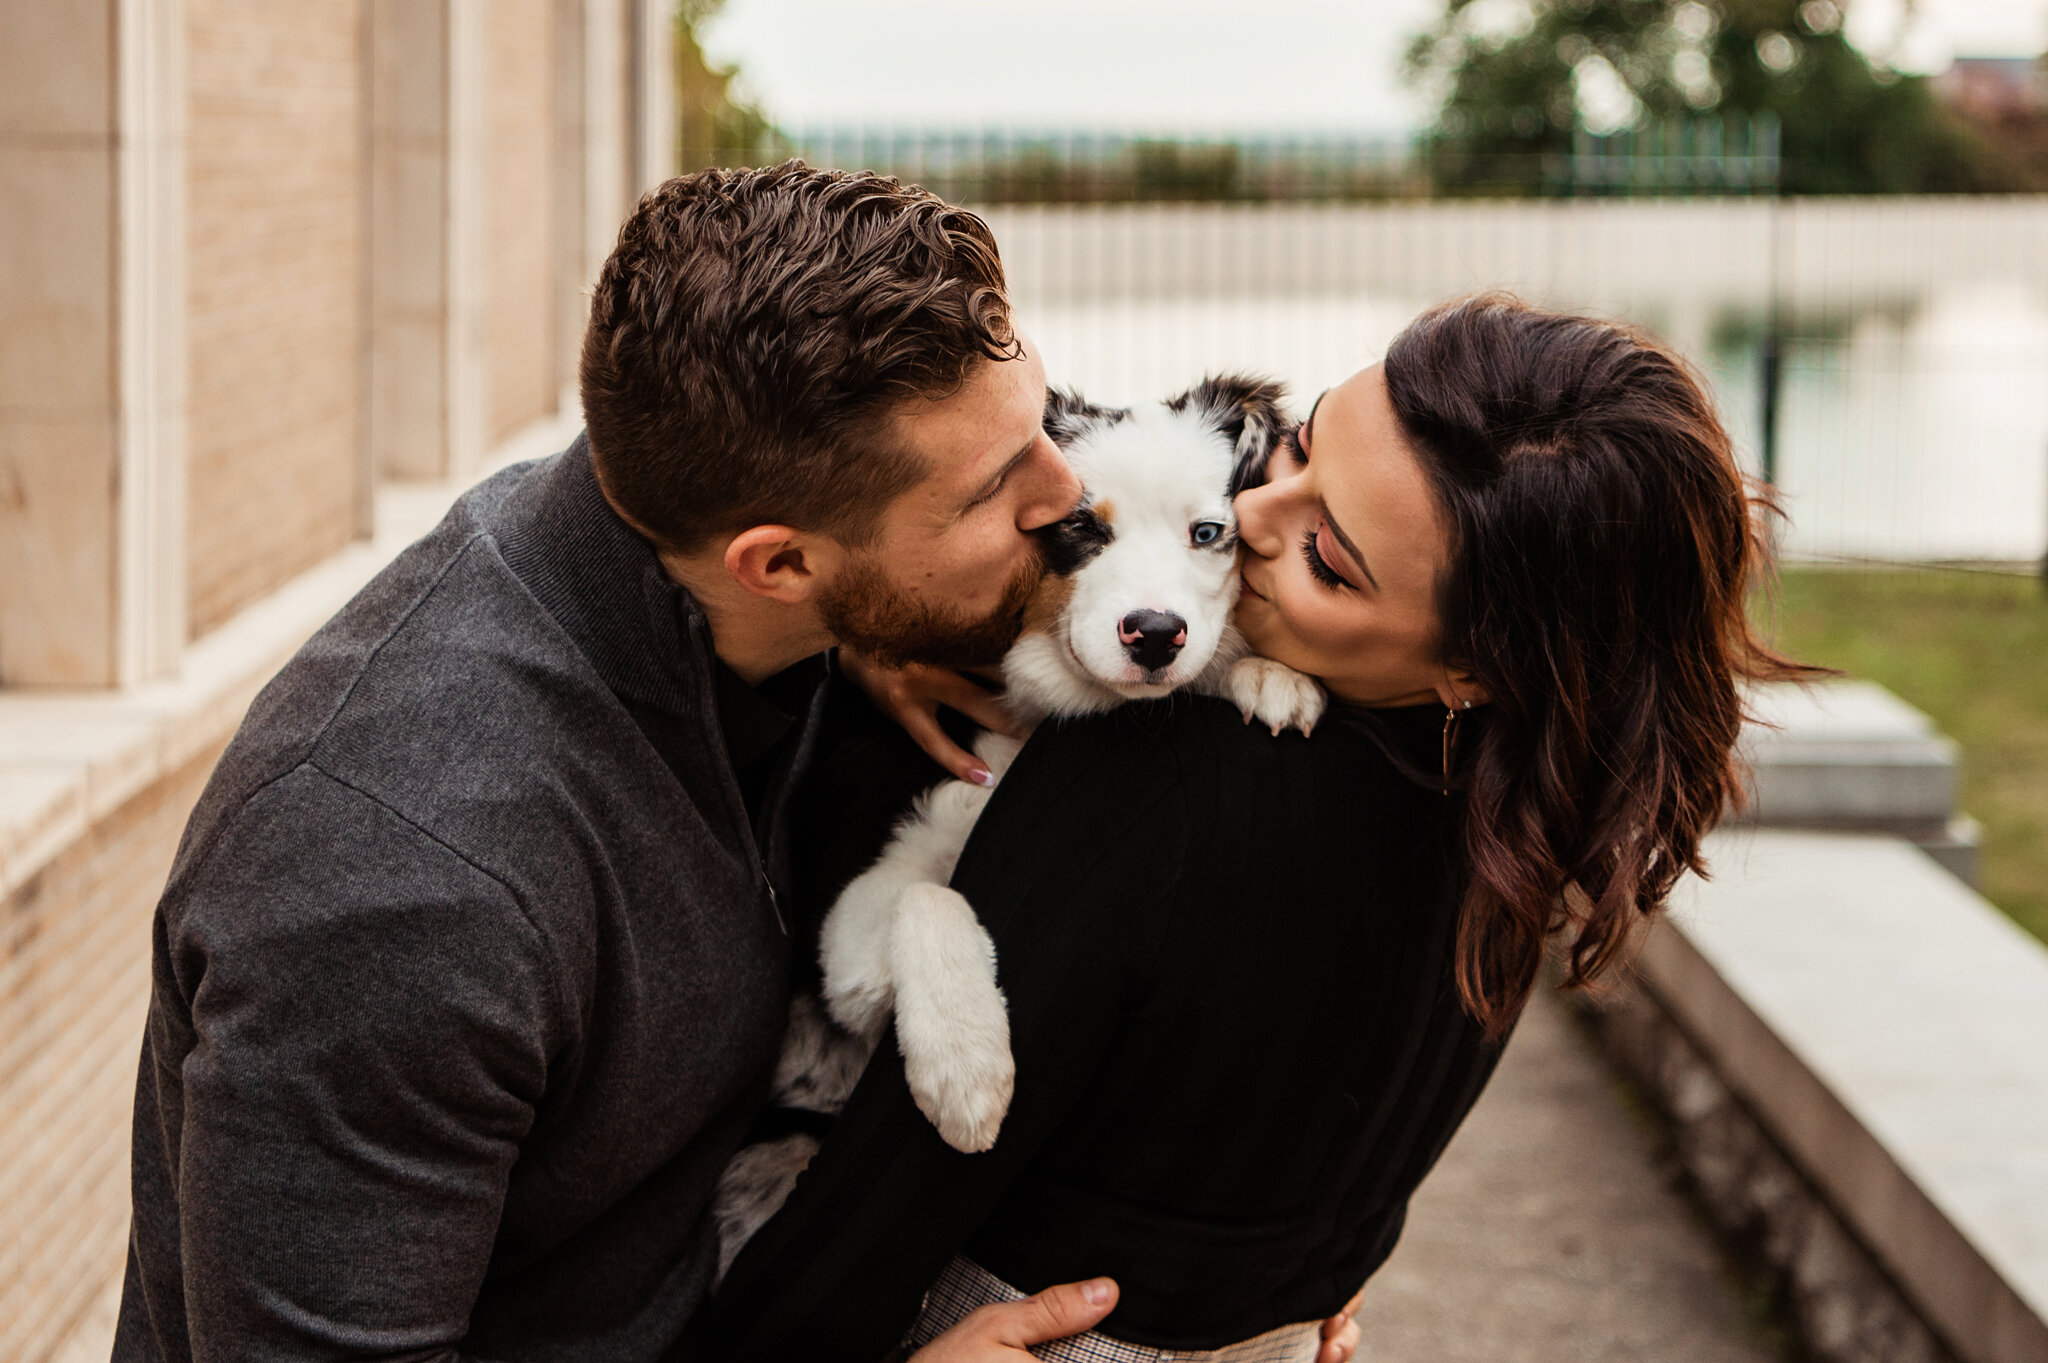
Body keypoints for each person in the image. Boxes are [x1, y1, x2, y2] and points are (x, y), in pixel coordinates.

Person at [113, 162, 1365, 1363]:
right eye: (995, 488)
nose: (1059, 494)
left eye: (1040, 424)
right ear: (778, 561)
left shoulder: (743, 586)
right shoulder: (403, 882)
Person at [696, 295, 1818, 1361]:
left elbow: (871, 1207)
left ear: (1477, 662)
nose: (1246, 516)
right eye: (1300, 445)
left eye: (1329, 557)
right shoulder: (1511, 835)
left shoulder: (1153, 783)